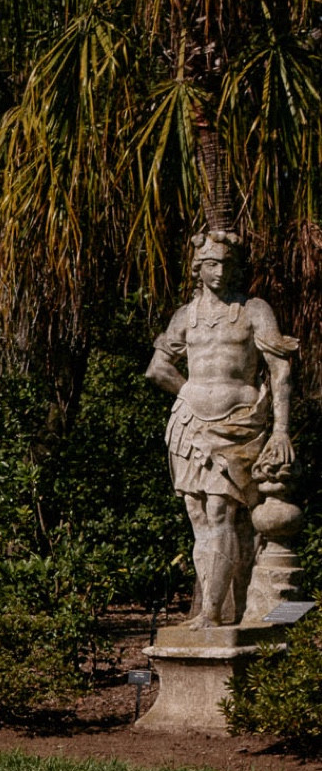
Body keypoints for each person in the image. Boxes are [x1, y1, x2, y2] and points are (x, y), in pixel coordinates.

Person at [145, 230, 298, 628]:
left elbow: (280, 371)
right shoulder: (185, 316)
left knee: (221, 512)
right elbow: (157, 368)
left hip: (238, 427)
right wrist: (191, 395)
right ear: (198, 268)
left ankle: (213, 613)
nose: (220, 271)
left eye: (228, 264)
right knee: (198, 515)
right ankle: (214, 608)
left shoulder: (253, 310)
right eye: (212, 263)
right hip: (189, 426)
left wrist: (281, 430)